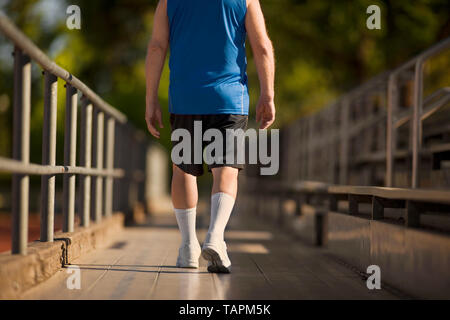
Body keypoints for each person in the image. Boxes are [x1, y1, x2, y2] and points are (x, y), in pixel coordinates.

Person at [145, 0, 275, 273]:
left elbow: (157, 46)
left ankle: (188, 247)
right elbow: (261, 46)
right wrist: (267, 94)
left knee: (184, 170)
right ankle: (215, 236)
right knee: (226, 170)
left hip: (185, 99)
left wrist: (151, 99)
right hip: (229, 99)